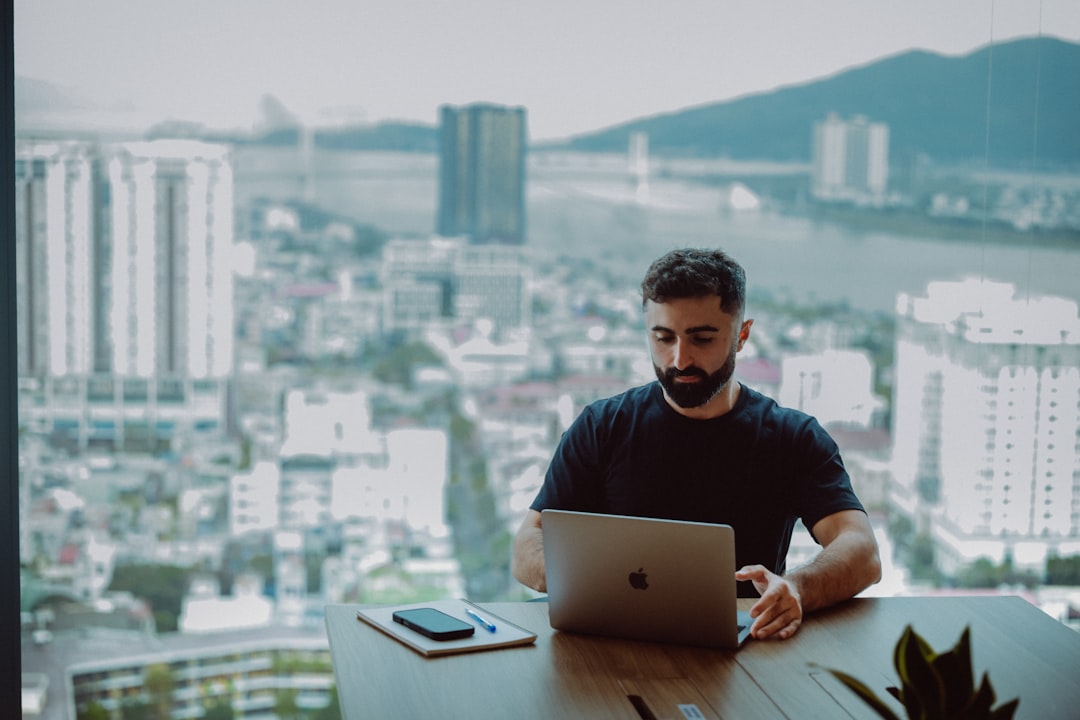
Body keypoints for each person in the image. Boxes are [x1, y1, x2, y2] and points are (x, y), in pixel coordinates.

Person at [511, 247, 881, 641]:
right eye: (663, 338)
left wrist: (797, 588)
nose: (680, 359)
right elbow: (526, 547)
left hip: (743, 655)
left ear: (742, 335)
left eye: (702, 338)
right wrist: (583, 578)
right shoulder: (603, 426)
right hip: (608, 643)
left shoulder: (792, 437)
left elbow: (861, 550)